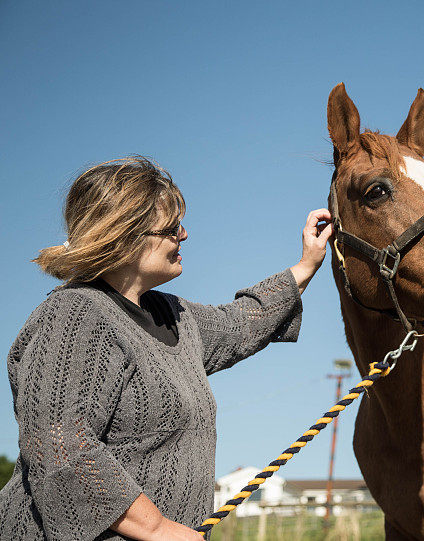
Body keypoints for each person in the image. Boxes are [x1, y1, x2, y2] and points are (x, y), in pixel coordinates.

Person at [0, 157, 333, 540]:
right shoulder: (74, 314)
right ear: (124, 234)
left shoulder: (174, 315)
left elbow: (244, 321)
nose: (185, 235)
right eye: (172, 227)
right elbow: (60, 446)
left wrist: (307, 263)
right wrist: (157, 529)